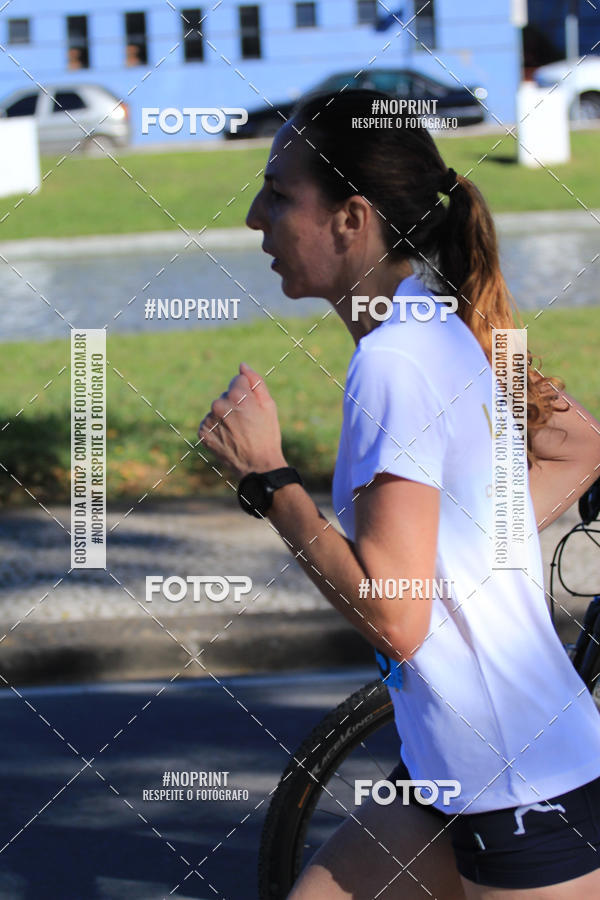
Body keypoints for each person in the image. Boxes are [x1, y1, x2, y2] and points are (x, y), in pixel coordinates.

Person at [197, 90, 600, 899]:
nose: (253, 217)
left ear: (351, 218)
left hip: (520, 789)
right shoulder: (435, 321)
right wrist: (477, 546)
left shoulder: (393, 363)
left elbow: (395, 617)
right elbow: (581, 446)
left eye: (279, 194)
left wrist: (271, 483)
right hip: (448, 770)